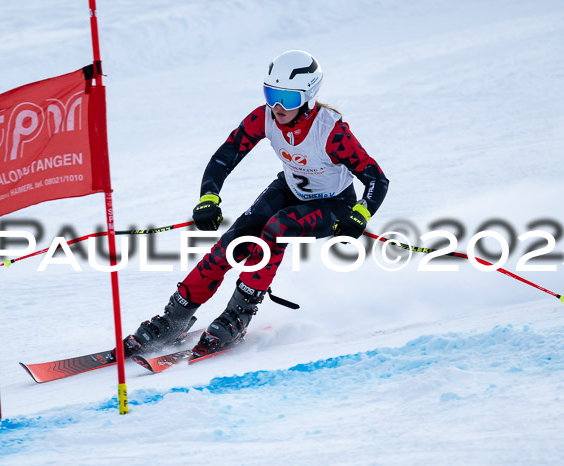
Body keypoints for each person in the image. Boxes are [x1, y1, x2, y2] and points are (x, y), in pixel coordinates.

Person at [122, 50, 389, 358]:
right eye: (271, 94)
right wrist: (208, 197)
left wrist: (361, 213)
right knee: (231, 243)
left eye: (287, 99)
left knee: (278, 228)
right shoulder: (263, 117)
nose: (277, 107)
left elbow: (376, 179)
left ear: (308, 97)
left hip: (335, 206)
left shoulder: (330, 131)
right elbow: (225, 156)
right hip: (290, 190)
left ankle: (239, 315)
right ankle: (174, 318)